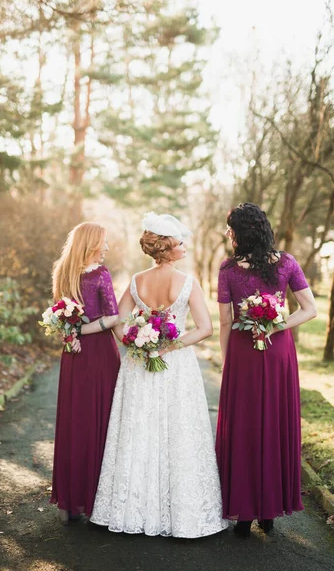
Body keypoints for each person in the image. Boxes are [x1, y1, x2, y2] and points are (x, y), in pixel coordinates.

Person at [90, 212, 228, 538]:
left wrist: (135, 342)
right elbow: (206, 329)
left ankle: (133, 508)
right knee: (178, 431)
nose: (185, 247)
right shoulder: (188, 282)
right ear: (167, 247)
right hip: (175, 364)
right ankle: (181, 514)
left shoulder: (137, 280)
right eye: (180, 243)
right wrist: (171, 345)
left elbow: (116, 321)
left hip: (139, 363)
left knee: (139, 431)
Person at [216, 203, 317, 537]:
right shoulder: (286, 262)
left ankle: (243, 515)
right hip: (278, 351)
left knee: (244, 427)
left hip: (244, 352)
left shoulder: (228, 269)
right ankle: (269, 512)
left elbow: (226, 322)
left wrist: (227, 361)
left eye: (230, 228)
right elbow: (309, 309)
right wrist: (276, 327)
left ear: (240, 232)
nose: (228, 234)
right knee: (274, 423)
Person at [50, 222, 120, 525]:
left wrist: (72, 333)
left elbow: (59, 317)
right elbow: (112, 316)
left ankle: (69, 501)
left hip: (73, 355)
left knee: (74, 421)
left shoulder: (62, 272)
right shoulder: (100, 275)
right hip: (99, 354)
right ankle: (97, 498)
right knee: (103, 419)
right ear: (91, 243)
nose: (105, 248)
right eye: (102, 242)